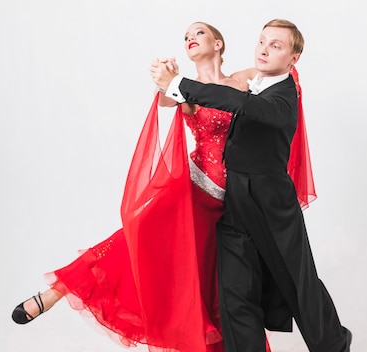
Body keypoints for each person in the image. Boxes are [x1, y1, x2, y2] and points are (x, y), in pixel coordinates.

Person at [11, 22, 276, 352]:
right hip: (192, 191)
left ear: (218, 43)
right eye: (186, 37)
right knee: (132, 238)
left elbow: (282, 76)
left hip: (231, 203)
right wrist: (168, 80)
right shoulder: (186, 88)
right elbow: (166, 101)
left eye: (199, 33)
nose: (190, 39)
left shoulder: (243, 79)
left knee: (211, 283)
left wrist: (273, 48)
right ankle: (57, 291)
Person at [151, 19, 352, 352]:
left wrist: (178, 83)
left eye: (276, 45)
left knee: (298, 286)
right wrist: (171, 86)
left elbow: (241, 105)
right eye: (262, 41)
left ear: (293, 59)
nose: (264, 48)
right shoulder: (249, 82)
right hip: (235, 205)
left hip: (272, 207)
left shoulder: (285, 95)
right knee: (235, 294)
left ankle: (334, 345)